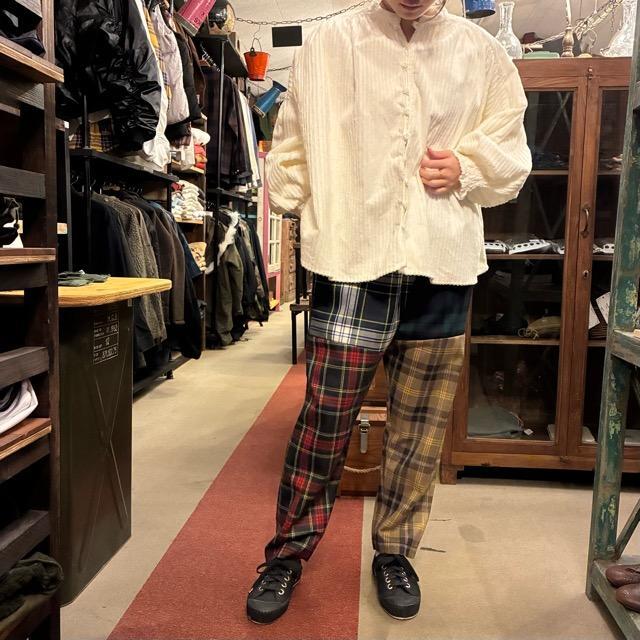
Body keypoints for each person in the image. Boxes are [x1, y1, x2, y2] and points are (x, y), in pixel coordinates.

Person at [246, 0, 531, 624]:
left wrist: (468, 167)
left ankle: (395, 552)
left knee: (419, 431)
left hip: (441, 259)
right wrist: (311, 202)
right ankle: (287, 553)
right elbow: (290, 147)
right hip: (352, 258)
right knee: (324, 423)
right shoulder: (328, 46)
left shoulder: (480, 52)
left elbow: (510, 143)